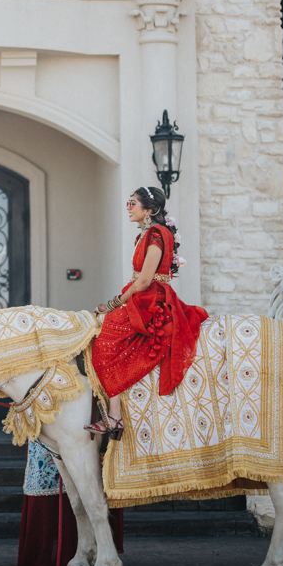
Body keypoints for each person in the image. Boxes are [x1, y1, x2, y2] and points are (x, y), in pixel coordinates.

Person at [86, 186, 208, 439]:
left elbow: (143, 281)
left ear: (149, 210)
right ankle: (114, 413)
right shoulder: (147, 234)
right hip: (142, 295)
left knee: (105, 341)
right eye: (128, 203)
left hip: (150, 298)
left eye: (133, 204)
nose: (128, 208)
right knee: (107, 338)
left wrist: (113, 303)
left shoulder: (155, 234)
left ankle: (115, 415)